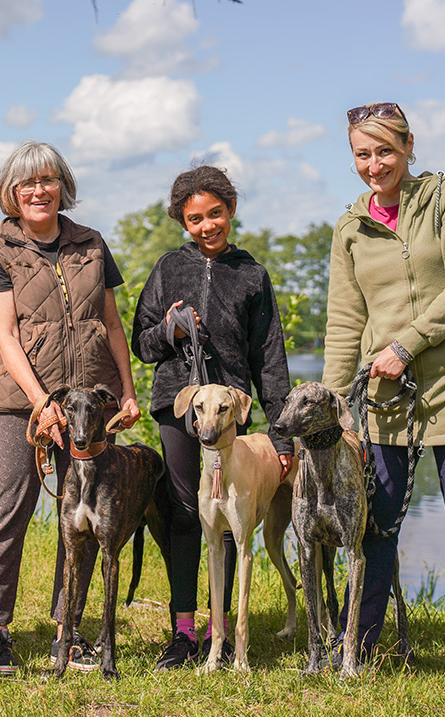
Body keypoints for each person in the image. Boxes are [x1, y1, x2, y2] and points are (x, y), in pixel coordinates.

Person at [323, 102, 445, 688]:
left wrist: (405, 345)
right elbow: (343, 322)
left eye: (385, 150)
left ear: (409, 146)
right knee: (376, 526)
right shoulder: (350, 227)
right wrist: (336, 412)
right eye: (362, 153)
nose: (374, 164)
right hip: (384, 399)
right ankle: (360, 643)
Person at [0, 140, 140, 676]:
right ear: (11, 193)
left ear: (63, 185)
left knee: (86, 521)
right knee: (9, 512)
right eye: (27, 183)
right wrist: (42, 403)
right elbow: (3, 335)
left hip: (90, 405)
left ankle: (68, 633)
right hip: (18, 406)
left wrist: (128, 390)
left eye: (48, 180)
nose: (39, 190)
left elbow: (111, 324)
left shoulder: (91, 244)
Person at [131, 165, 294, 669]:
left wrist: (283, 439)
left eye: (215, 214)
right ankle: (184, 631)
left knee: (227, 525)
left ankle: (219, 629)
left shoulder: (251, 274)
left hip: (229, 413)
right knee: (186, 513)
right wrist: (171, 331)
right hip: (178, 408)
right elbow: (142, 343)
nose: (207, 226)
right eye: (195, 218)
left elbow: (270, 359)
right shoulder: (167, 269)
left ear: (231, 210)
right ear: (183, 222)